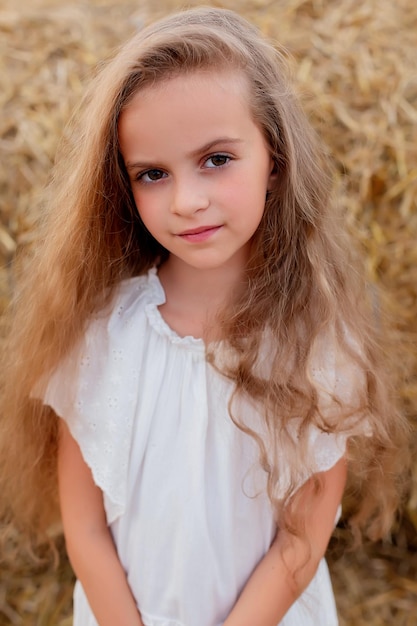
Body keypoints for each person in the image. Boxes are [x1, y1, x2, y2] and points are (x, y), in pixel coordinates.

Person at [0, 7, 409, 626]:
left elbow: (301, 540)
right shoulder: (102, 337)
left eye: (216, 159)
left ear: (274, 157)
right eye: (153, 174)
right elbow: (83, 527)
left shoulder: (315, 341)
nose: (187, 201)